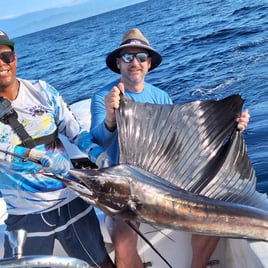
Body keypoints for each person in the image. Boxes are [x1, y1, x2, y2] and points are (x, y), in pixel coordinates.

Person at [90, 28, 250, 268]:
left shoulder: (161, 97)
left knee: (213, 217)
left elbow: (181, 143)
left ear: (149, 64)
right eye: (128, 57)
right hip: (124, 190)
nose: (135, 62)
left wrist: (232, 127)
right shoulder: (104, 96)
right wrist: (111, 116)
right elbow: (99, 139)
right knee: (123, 247)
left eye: (141, 57)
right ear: (118, 63)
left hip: (162, 183)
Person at [0, 30, 115, 268]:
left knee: (100, 264)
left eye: (6, 56)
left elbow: (74, 130)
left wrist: (96, 153)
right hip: (25, 214)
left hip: (72, 199)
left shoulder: (42, 91)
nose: (2, 64)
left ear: (15, 58)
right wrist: (34, 156)